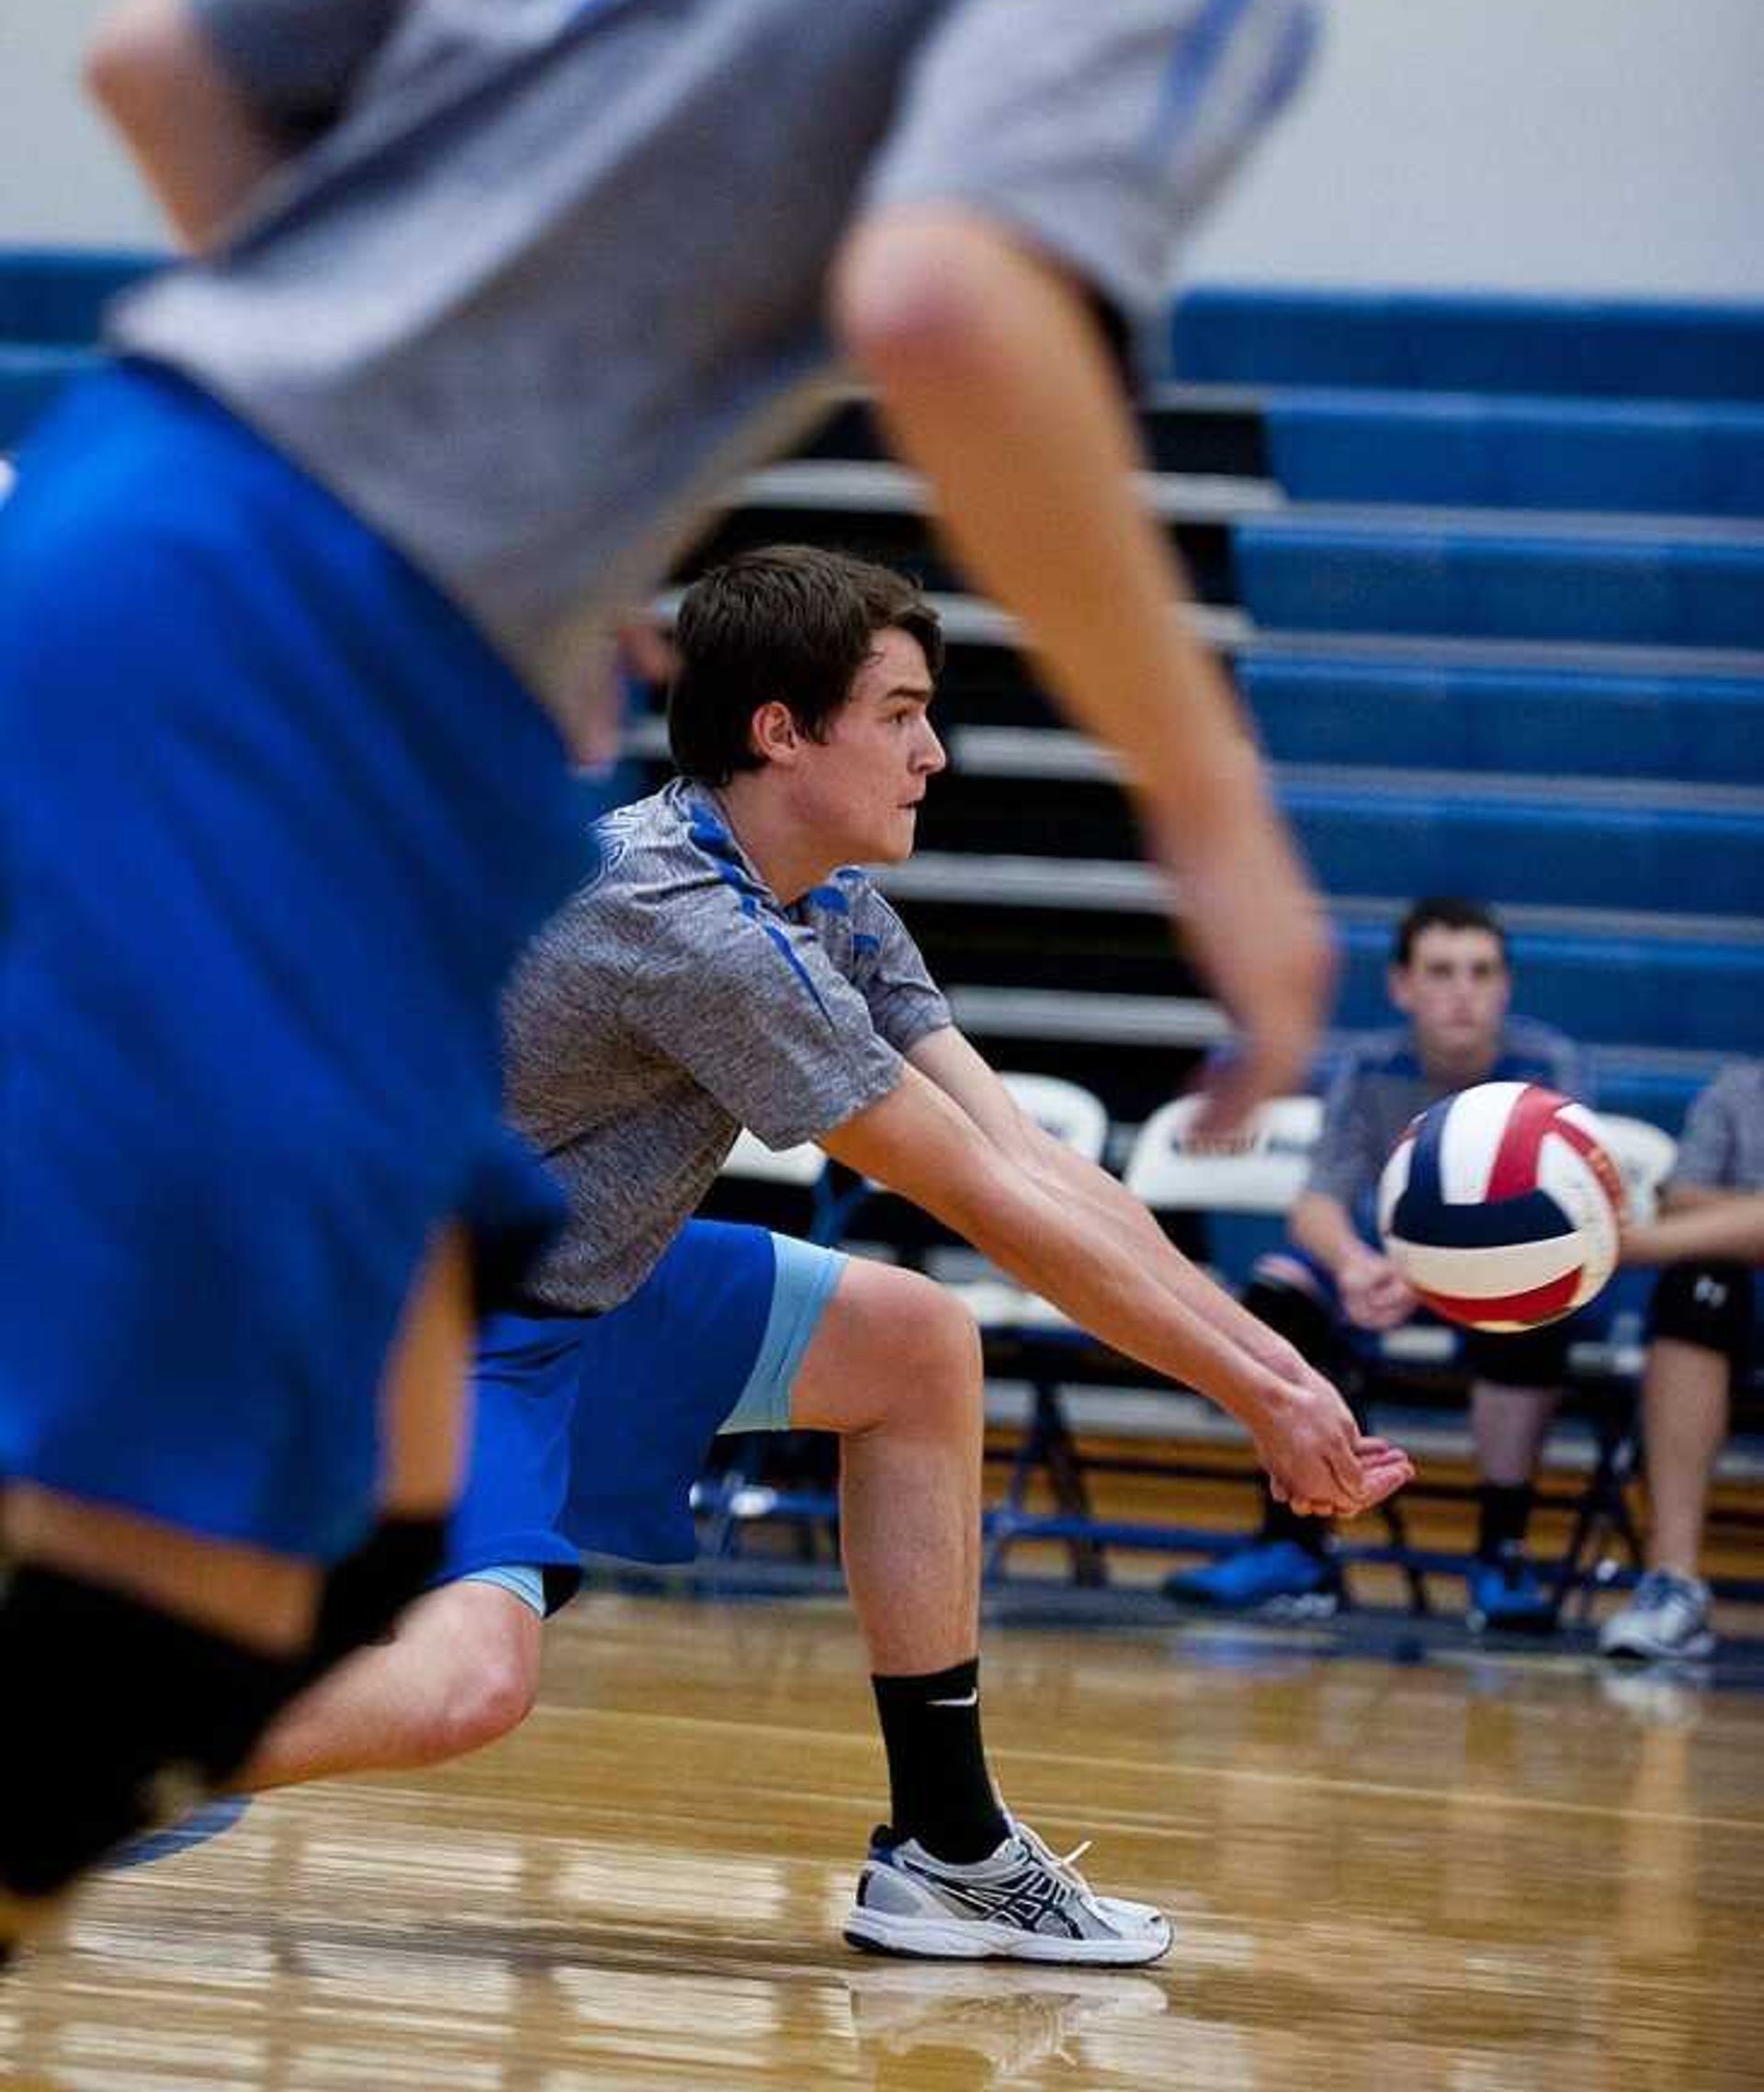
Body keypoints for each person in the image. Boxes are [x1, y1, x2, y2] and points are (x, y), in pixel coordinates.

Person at [0, 0, 1444, 1935]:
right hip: (300, 663)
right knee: (206, 1623)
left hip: (142, 519)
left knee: (248, 1565)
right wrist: (1215, 818)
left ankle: (942, 1842)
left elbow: (166, 61)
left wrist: (440, 494)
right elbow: (941, 294)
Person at [200, 548, 1413, 1963]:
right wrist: (1258, 1398)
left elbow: (1033, 1164)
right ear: (781, 729)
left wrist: (1282, 1369)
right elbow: (989, 1206)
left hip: (586, 1275)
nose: (934, 752)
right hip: (418, 1319)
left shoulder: (820, 901)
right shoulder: (686, 926)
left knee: (912, 1346)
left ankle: (952, 1852)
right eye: (898, 713)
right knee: (466, 1686)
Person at [1171, 899, 1585, 1631]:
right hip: (1387, 1264)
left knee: (1537, 1310)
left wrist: (1424, 1272)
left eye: (1481, 972)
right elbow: (1318, 1203)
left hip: (1499, 1265)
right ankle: (1296, 1540)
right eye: (1441, 971)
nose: (1462, 990)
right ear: (1403, 987)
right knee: (1281, 1289)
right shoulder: (1369, 1068)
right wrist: (1358, 1266)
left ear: (1505, 988)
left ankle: (1501, 1552)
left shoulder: (1543, 1068)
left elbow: (1551, 1213)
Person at [1599, 1060, 1764, 1663]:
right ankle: (1674, 1585)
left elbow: (1685, 1212)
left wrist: (1636, 1246)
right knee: (1697, 1287)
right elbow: (1680, 1199)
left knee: (1688, 1259)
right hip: (1741, 1304)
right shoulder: (1741, 1088)